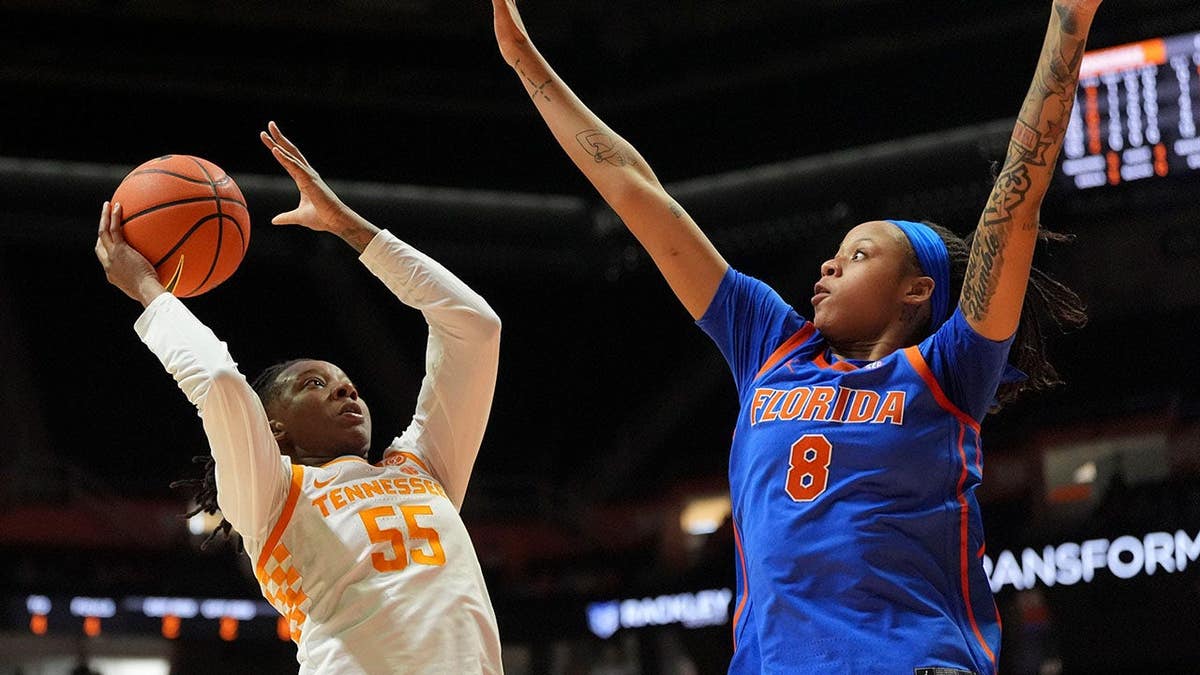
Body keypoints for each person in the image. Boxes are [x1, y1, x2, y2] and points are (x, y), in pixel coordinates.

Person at [492, 0, 1099, 671]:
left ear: (917, 291)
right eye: (835, 254)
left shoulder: (949, 369)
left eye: (859, 255)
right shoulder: (770, 344)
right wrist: (524, 61)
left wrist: (1068, 21)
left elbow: (1015, 200)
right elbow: (636, 189)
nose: (830, 265)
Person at [94, 122, 504, 674]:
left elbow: (475, 327)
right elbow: (219, 381)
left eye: (345, 381)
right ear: (273, 428)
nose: (345, 387)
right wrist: (147, 290)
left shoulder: (423, 468)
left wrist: (348, 226)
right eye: (314, 383)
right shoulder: (271, 498)